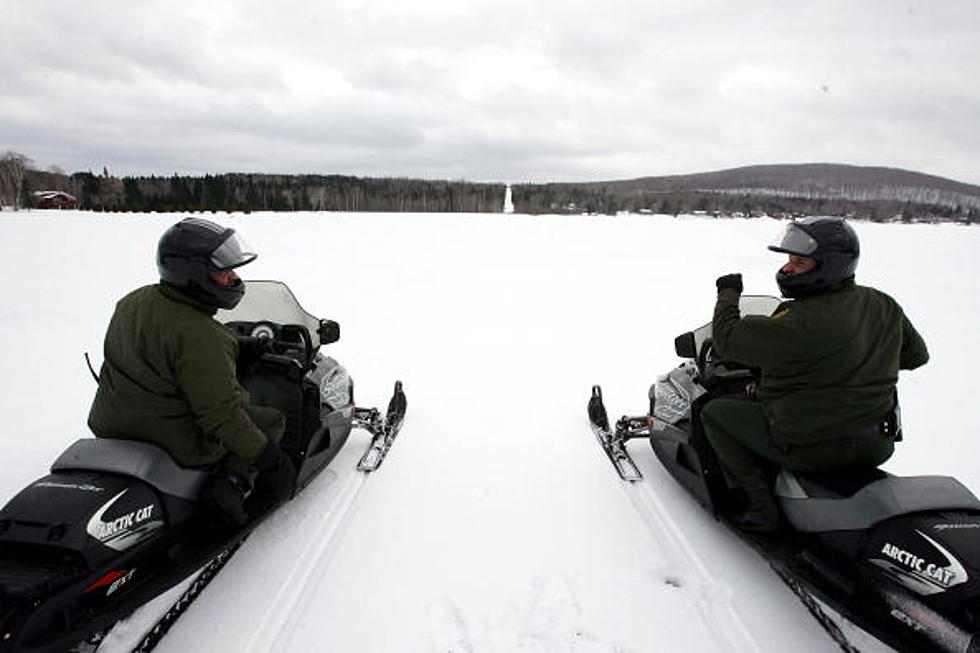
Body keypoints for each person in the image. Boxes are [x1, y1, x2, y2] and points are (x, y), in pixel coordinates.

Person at [702, 217, 929, 531]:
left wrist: (727, 293)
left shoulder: (800, 319)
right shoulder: (882, 303)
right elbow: (916, 355)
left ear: (829, 266)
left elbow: (728, 341)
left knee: (715, 413)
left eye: (799, 261)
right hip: (876, 443)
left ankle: (759, 505)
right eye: (789, 260)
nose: (788, 268)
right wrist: (859, 364)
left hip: (813, 447)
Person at [88, 217, 296, 525]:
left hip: (110, 423)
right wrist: (271, 460)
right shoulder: (203, 336)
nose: (234, 278)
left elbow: (164, 344)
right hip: (173, 440)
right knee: (268, 420)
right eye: (224, 271)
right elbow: (221, 416)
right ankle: (231, 486)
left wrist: (237, 345)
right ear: (196, 275)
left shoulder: (132, 302)